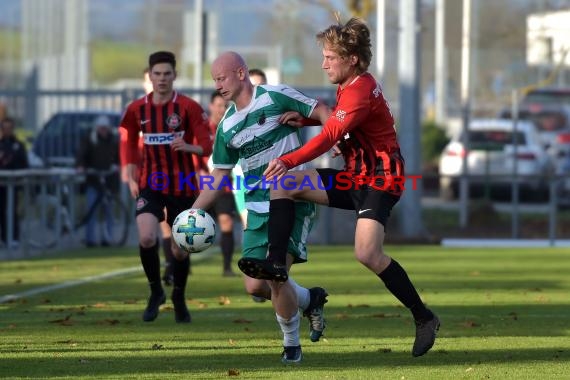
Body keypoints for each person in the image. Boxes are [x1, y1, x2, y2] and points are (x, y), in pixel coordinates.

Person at [241, 17, 440, 358]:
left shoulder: (361, 89)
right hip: (355, 175)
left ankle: (424, 317)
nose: (324, 63)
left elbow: (332, 134)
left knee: (367, 254)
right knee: (285, 185)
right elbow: (340, 123)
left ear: (352, 59)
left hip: (381, 177)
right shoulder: (350, 86)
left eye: (330, 57)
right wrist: (303, 119)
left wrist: (289, 158)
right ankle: (276, 262)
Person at [191, 51, 330, 364]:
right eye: (214, 80)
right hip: (256, 210)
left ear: (241, 73)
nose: (218, 85)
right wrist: (195, 211)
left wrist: (334, 138)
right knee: (255, 285)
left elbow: (321, 110)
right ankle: (309, 299)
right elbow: (220, 173)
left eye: (222, 77)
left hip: (293, 199)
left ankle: (291, 347)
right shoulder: (227, 126)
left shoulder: (276, 95)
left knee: (276, 273)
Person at [120, 51, 212, 323]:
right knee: (147, 237)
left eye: (167, 74)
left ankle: (179, 297)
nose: (161, 79)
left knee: (179, 250)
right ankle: (155, 291)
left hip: (182, 186)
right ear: (150, 76)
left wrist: (189, 147)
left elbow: (207, 145)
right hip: (150, 184)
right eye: (157, 74)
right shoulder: (137, 109)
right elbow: (127, 138)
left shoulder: (188, 107)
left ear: (174, 75)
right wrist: (129, 168)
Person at [119, 68, 177, 286]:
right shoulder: (135, 111)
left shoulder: (173, 109)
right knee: (154, 226)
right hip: (146, 176)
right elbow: (126, 143)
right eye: (148, 80)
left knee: (169, 224)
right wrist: (129, 172)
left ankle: (172, 265)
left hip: (170, 174)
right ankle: (167, 269)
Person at [205, 90, 238, 277]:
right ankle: (179, 265)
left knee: (226, 222)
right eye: (218, 105)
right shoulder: (202, 128)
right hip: (202, 185)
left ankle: (226, 267)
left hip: (224, 185)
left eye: (224, 106)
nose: (221, 109)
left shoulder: (230, 128)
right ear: (211, 106)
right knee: (191, 223)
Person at [76, 115, 119, 247]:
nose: (103, 131)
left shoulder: (114, 141)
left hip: (109, 182)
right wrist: (81, 165)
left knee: (109, 212)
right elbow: (81, 154)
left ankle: (108, 238)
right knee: (91, 211)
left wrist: (117, 165)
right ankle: (91, 240)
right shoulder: (89, 140)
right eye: (101, 128)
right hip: (93, 181)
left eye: (105, 128)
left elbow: (119, 157)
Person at [0, 117, 29, 247]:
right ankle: (3, 238)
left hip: (14, 183)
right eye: (4, 128)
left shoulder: (19, 146)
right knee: (1, 211)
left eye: (9, 128)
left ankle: (13, 237)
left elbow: (24, 163)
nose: (7, 131)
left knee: (12, 210)